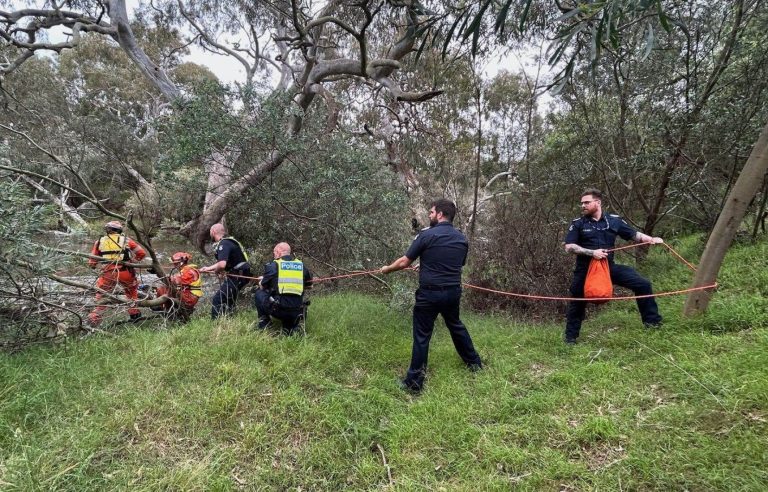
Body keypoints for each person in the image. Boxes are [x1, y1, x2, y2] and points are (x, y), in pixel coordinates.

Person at [380, 198, 482, 394]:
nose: (429, 215)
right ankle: (475, 364)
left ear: (440, 214)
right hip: (453, 292)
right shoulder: (462, 238)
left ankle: (414, 382)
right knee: (455, 325)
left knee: (422, 335)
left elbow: (403, 262)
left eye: (432, 212)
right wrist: (426, 264)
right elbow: (455, 264)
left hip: (430, 294)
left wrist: (386, 269)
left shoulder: (426, 235)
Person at [563, 188, 664, 345]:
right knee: (577, 302)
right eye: (582, 203)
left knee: (643, 284)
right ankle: (570, 339)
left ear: (598, 202)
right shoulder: (578, 224)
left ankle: (653, 324)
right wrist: (592, 252)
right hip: (585, 270)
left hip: (608, 267)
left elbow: (634, 235)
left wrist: (651, 239)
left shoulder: (614, 221)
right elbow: (569, 247)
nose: (583, 206)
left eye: (587, 202)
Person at [87, 220, 146, 326]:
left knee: (102, 296)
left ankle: (93, 320)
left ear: (108, 230)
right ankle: (135, 317)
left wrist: (93, 266)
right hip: (125, 272)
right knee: (131, 294)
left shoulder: (99, 241)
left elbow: (92, 262)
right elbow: (141, 253)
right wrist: (134, 261)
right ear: (119, 230)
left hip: (107, 273)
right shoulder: (126, 240)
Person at [254, 242, 313, 335]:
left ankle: (264, 324)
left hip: (279, 309)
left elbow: (263, 286)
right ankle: (293, 326)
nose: (274, 255)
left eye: (274, 253)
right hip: (297, 309)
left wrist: (262, 280)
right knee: (288, 330)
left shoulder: (273, 266)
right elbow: (309, 285)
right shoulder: (301, 266)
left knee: (259, 293)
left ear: (278, 252)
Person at [199, 224, 251, 319]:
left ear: (213, 232)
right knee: (229, 299)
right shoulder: (229, 241)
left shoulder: (223, 244)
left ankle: (216, 324)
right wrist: (208, 268)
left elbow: (222, 264)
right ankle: (229, 320)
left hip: (238, 275)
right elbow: (224, 263)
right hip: (240, 273)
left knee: (217, 300)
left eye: (210, 232)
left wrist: (216, 271)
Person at [152, 252, 202, 322]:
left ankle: (162, 308)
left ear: (181, 263)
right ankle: (168, 310)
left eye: (175, 263)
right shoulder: (186, 270)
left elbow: (172, 281)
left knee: (162, 289)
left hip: (189, 298)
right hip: (188, 295)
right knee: (166, 289)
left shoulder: (188, 271)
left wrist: (158, 273)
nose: (174, 265)